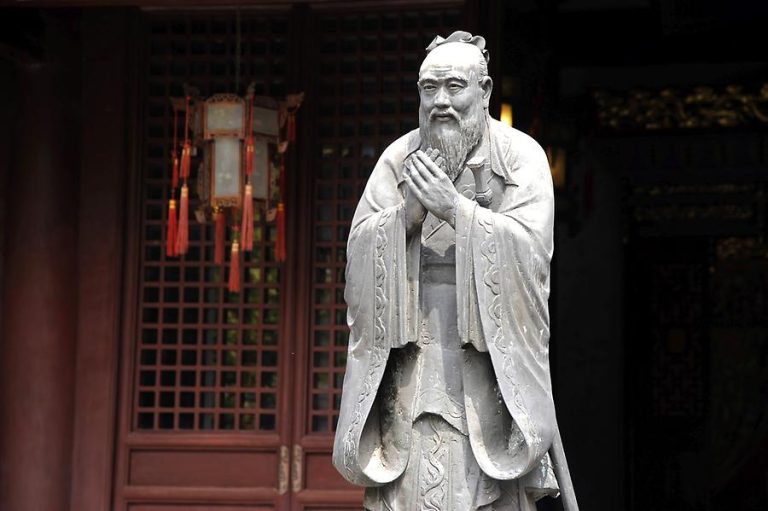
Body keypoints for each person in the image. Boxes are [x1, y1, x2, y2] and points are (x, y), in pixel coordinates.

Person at [333, 31, 566, 510]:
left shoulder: (521, 157)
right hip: (411, 369)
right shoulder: (398, 159)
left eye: (454, 86)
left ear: (485, 91)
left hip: (490, 374)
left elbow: (531, 258)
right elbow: (357, 262)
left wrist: (457, 210)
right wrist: (406, 219)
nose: (440, 101)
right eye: (429, 88)